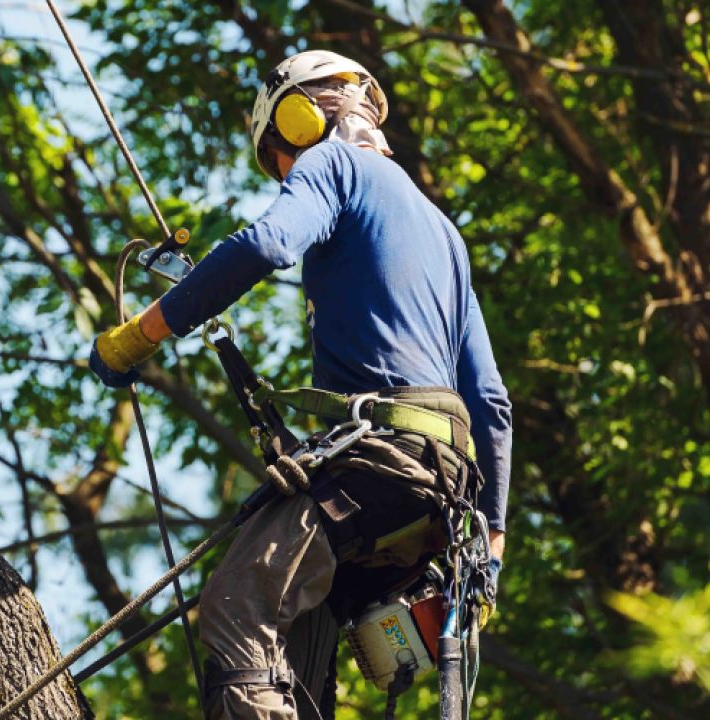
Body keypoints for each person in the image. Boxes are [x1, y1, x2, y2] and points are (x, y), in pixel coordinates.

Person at [89, 50, 512, 719]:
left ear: (302, 117)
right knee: (293, 637)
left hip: (381, 460)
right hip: (440, 493)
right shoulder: (445, 234)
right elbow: (490, 403)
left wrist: (140, 334)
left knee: (235, 602)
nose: (284, 173)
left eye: (276, 156)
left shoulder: (334, 164)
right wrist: (490, 548)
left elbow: (267, 245)